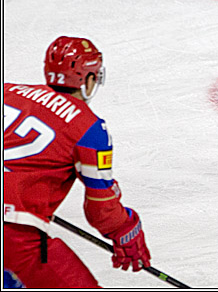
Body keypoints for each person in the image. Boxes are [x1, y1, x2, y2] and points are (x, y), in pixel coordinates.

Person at [3, 36, 152, 288]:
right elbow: (101, 206)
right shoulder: (88, 128)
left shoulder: (8, 90)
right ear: (89, 79)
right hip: (15, 238)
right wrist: (125, 228)